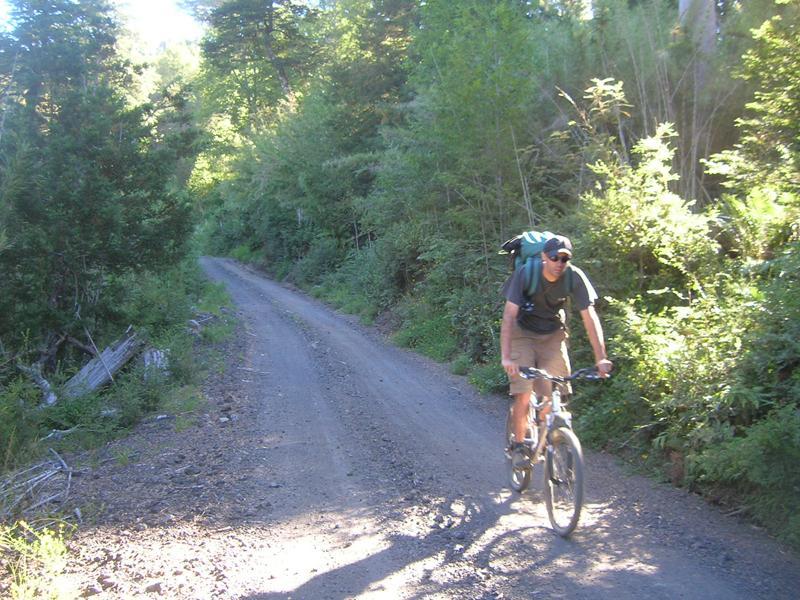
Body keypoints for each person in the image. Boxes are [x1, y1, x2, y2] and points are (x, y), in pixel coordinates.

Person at [500, 234, 612, 468]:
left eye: (564, 258)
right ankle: (519, 446)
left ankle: (546, 433)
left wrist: (601, 358)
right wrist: (507, 356)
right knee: (523, 391)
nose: (559, 263)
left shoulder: (574, 276)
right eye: (554, 257)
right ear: (544, 257)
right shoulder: (525, 274)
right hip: (523, 332)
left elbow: (590, 317)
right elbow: (509, 315)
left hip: (552, 334)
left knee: (555, 391)